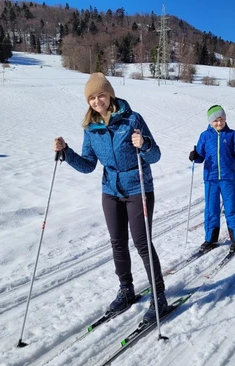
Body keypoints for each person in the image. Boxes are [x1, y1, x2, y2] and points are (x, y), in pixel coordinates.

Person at [53, 72, 168, 323]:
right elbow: (87, 165)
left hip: (138, 186)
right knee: (118, 243)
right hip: (110, 190)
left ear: (110, 95)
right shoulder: (91, 129)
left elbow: (155, 155)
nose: (97, 101)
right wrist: (66, 153)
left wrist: (145, 144)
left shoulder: (132, 119)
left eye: (101, 95)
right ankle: (126, 289)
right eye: (92, 97)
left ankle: (159, 295)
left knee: (142, 243)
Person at [189, 105, 235, 254]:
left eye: (221, 119)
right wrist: (195, 157)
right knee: (211, 209)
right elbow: (200, 156)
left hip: (228, 178)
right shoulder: (205, 136)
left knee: (231, 208)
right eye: (215, 120)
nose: (219, 123)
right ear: (210, 121)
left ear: (225, 119)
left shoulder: (232, 135)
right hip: (211, 178)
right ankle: (211, 239)